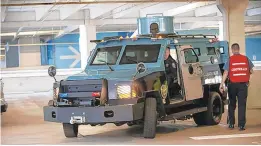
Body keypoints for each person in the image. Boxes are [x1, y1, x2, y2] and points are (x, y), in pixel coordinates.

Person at [219, 43, 254, 131]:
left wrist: (221, 84)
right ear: (238, 49)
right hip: (243, 85)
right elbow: (251, 71)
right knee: (242, 105)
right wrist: (247, 78)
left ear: (232, 50)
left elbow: (226, 72)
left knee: (232, 104)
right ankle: (241, 125)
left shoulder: (230, 59)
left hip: (232, 85)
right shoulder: (246, 59)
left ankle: (231, 124)